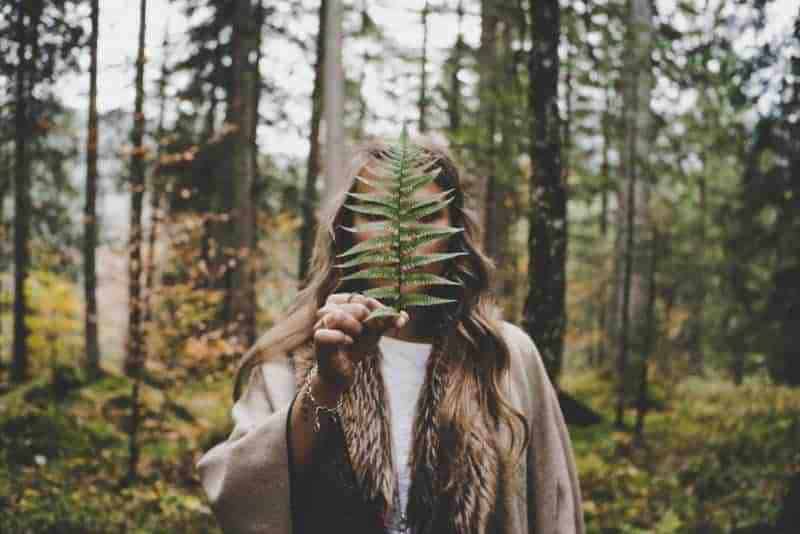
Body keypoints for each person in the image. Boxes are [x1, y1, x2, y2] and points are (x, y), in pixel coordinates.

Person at [196, 137, 586, 534]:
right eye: (379, 214)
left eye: (426, 214)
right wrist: (325, 387)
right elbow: (238, 494)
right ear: (347, 231)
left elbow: (555, 507)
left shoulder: (504, 354)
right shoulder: (298, 352)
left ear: (454, 230)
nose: (403, 234)